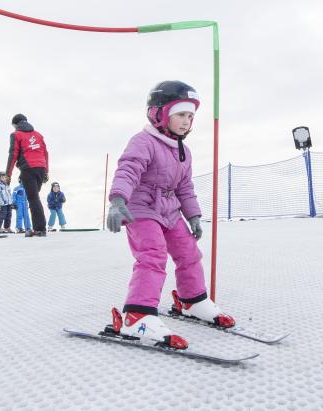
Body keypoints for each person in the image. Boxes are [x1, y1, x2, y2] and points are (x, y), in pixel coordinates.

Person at [106, 81, 235, 349]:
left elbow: (184, 187)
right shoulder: (143, 142)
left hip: (171, 211)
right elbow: (128, 169)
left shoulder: (183, 151)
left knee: (189, 252)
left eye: (190, 116)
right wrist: (118, 200)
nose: (187, 121)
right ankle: (137, 315)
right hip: (141, 209)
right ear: (159, 113)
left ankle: (193, 300)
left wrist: (194, 216)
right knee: (152, 254)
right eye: (180, 114)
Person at [5, 113, 49, 237]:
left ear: (15, 124)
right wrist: (46, 171)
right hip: (41, 168)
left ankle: (39, 229)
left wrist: (8, 174)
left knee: (33, 198)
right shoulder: (38, 135)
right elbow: (45, 153)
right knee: (35, 198)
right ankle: (39, 227)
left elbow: (13, 154)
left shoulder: (16, 134)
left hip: (28, 169)